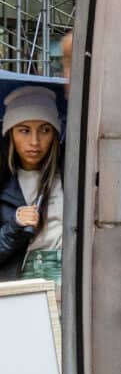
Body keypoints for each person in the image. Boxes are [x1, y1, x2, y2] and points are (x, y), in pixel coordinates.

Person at [1, 86, 65, 285]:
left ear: (55, 134)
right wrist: (15, 225)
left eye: (45, 130)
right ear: (11, 134)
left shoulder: (71, 175)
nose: (35, 141)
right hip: (20, 287)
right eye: (24, 130)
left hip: (68, 281)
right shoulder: (2, 182)